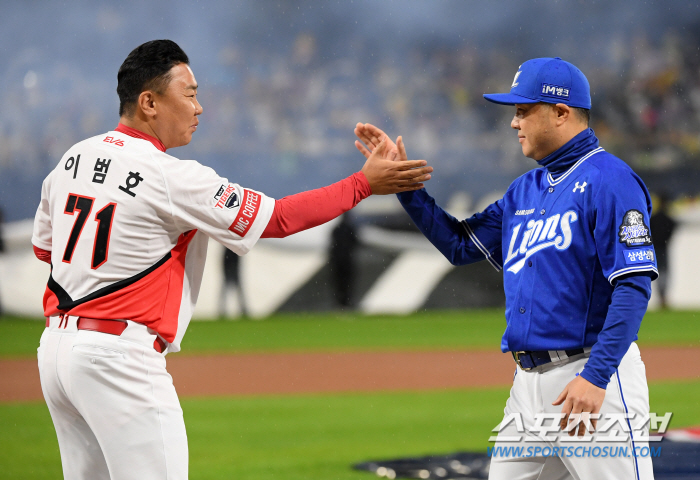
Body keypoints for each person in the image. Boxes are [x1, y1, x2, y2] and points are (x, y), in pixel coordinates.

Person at [31, 39, 433, 480]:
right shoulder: (171, 176)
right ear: (149, 102)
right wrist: (362, 184)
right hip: (119, 357)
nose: (199, 107)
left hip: (56, 354)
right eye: (189, 93)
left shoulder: (73, 158)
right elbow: (278, 218)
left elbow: (45, 249)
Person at [355, 57, 657, 479]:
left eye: (522, 111)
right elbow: (461, 245)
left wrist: (597, 376)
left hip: (589, 376)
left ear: (561, 112)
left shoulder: (611, 180)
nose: (514, 123)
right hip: (527, 385)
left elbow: (633, 286)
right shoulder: (524, 190)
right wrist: (408, 189)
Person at [650, 192, 676, 308]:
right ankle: (663, 297)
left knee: (657, 273)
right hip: (663, 248)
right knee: (664, 273)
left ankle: (660, 297)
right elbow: (673, 227)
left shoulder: (654, 218)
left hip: (654, 248)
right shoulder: (668, 219)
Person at [329, 213, 359, 307]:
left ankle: (340, 302)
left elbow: (332, 245)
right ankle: (346, 302)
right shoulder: (350, 229)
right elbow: (356, 243)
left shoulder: (336, 229)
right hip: (347, 259)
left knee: (339, 282)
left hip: (337, 259)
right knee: (347, 282)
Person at [219, 247, 247, 317]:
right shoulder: (234, 249)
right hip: (230, 270)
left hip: (232, 271)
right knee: (227, 292)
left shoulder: (231, 249)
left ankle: (243, 310)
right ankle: (223, 311)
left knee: (236, 292)